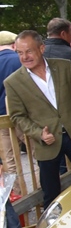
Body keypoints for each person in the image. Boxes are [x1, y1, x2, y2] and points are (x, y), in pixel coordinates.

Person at [4, 31, 71, 208]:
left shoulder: (64, 66)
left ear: (41, 48)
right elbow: (17, 116)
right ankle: (52, 224)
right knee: (51, 194)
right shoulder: (13, 82)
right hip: (46, 143)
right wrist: (39, 133)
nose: (24, 57)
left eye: (29, 51)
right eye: (20, 52)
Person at [0, 31, 24, 196]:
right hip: (23, 114)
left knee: (10, 158)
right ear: (14, 45)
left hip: (2, 117)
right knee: (37, 152)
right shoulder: (20, 60)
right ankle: (41, 188)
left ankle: (19, 193)